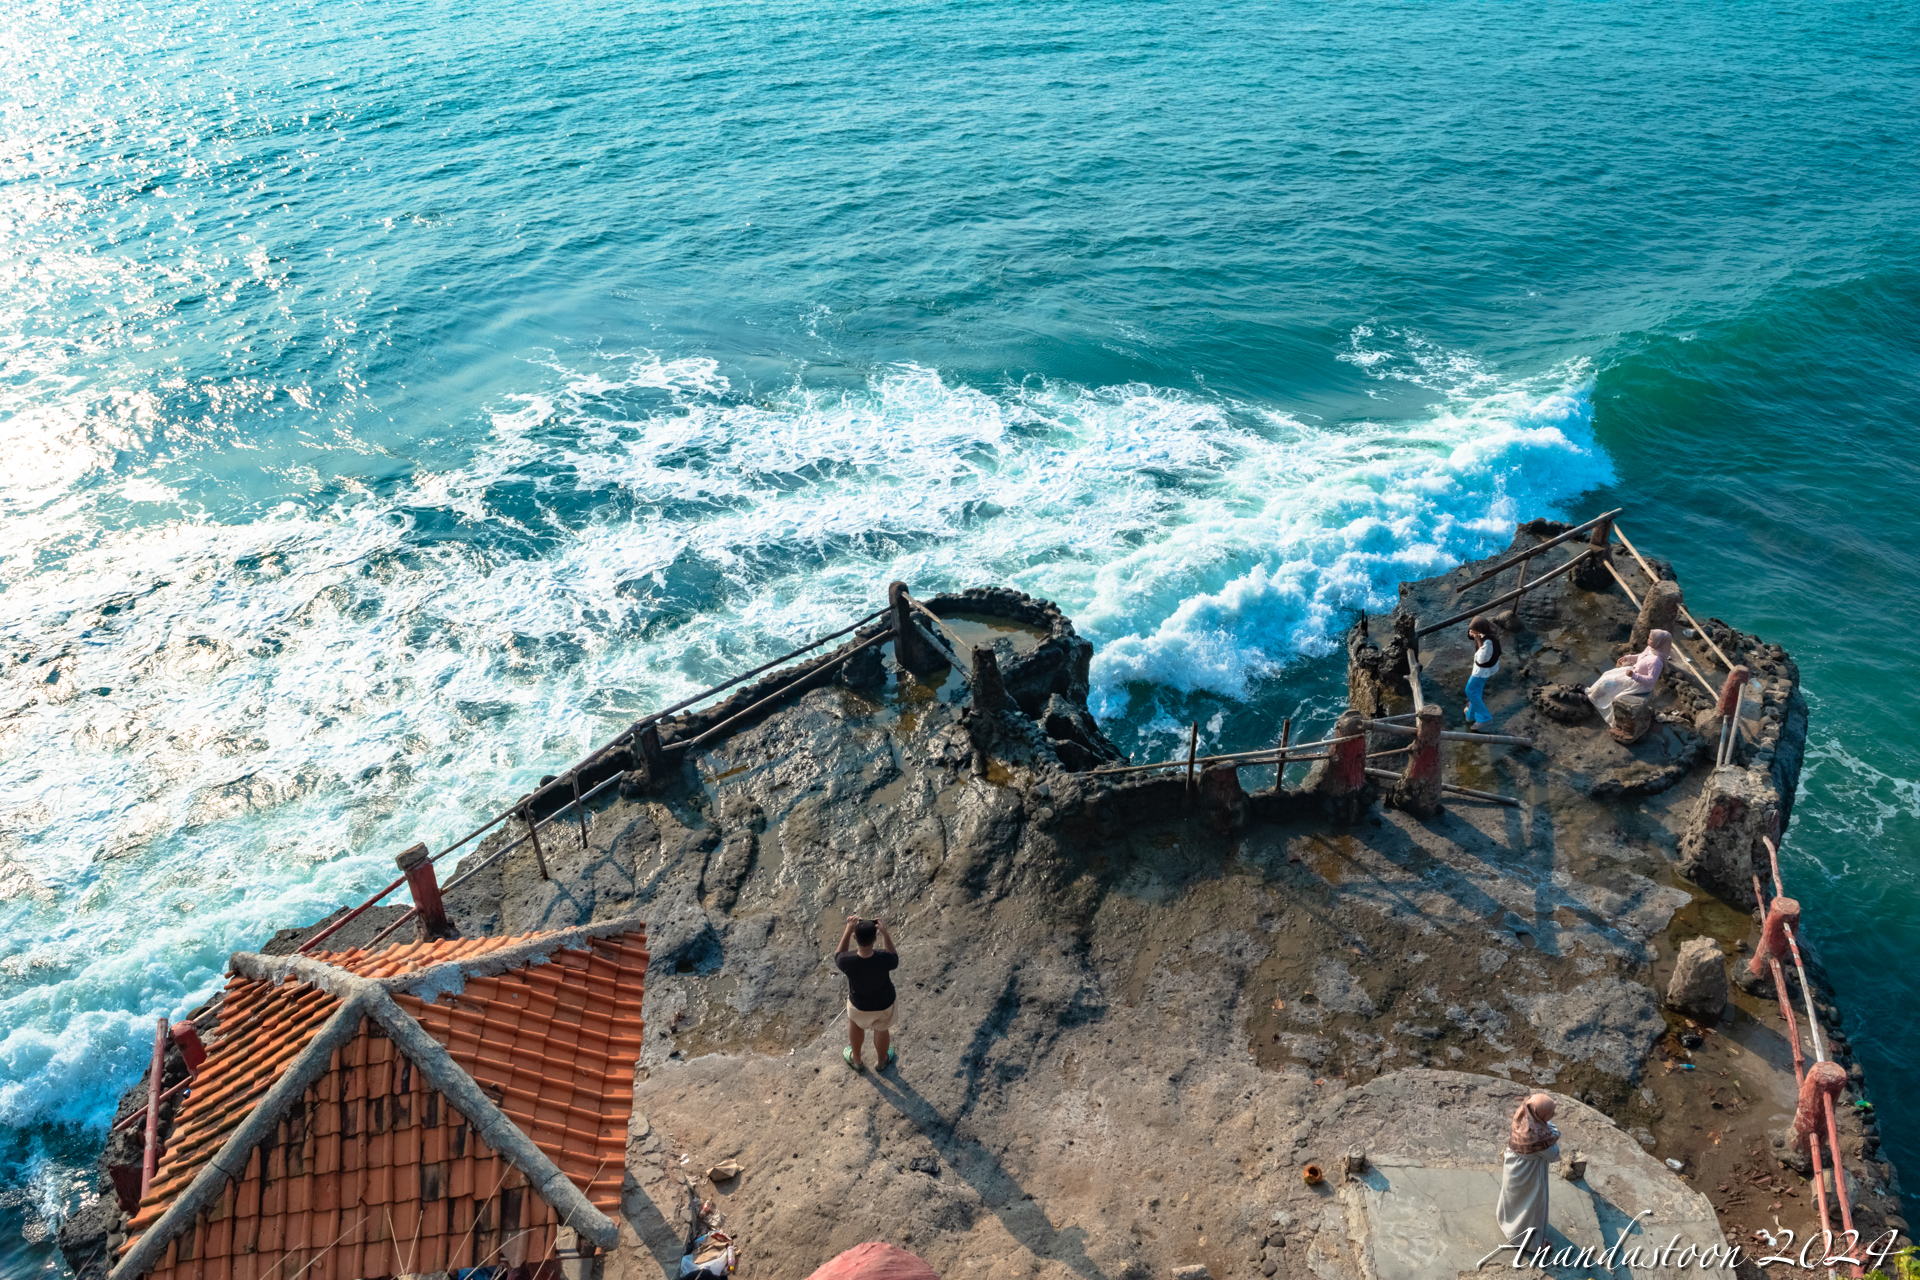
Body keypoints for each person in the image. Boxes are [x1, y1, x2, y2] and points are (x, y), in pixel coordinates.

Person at [1495, 1092, 1560, 1248]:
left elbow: (1546, 1125)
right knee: (1532, 1206)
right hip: (1530, 1173)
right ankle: (1531, 1242)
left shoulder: (1523, 1118)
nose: (1553, 1115)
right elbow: (1553, 1153)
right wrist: (1555, 1133)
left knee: (1514, 1199)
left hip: (1515, 1167)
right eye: (1550, 1112)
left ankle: (1508, 1225)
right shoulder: (1539, 1137)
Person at [834, 915, 898, 1071]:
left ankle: (857, 1060)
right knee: (882, 1029)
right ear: (875, 939)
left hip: (859, 1005)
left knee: (855, 1024)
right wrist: (885, 933)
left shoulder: (846, 961)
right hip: (884, 1004)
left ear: (855, 937)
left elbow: (838, 954)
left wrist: (848, 930)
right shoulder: (884, 958)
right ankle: (882, 1061)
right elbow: (894, 957)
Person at [1586, 629, 1673, 715]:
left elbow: (1651, 680)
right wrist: (1628, 658)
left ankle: (1595, 701)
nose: (1648, 639)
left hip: (1640, 683)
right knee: (1607, 675)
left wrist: (1634, 675)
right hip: (1633, 672)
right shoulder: (1650, 649)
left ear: (1659, 643)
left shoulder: (1656, 661)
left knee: (1610, 684)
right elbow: (1640, 656)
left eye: (1650, 639)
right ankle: (1593, 694)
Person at [1463, 615, 1500, 730]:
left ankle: (1484, 718)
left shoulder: (1488, 642)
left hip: (1482, 671)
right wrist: (1475, 637)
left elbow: (1481, 658)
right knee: (1476, 692)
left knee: (1470, 690)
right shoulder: (1489, 635)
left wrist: (1478, 640)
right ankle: (1471, 714)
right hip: (1486, 670)